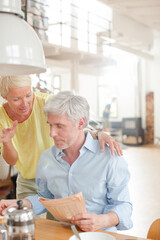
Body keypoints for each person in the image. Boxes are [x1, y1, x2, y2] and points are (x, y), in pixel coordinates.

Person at [0, 91, 133, 233]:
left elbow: (123, 205)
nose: (52, 133)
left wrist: (103, 220)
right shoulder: (47, 158)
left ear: (80, 123)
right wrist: (19, 204)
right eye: (50, 125)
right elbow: (45, 198)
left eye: (59, 126)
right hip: (62, 234)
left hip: (101, 234)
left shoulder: (109, 157)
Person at [0, 76, 122, 200]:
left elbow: (74, 127)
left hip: (57, 176)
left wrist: (98, 134)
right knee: (26, 218)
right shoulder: (1, 119)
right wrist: (7, 142)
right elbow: (12, 161)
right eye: (16, 99)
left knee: (56, 219)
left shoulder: (47, 103)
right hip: (28, 180)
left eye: (28, 95)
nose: (24, 104)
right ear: (4, 97)